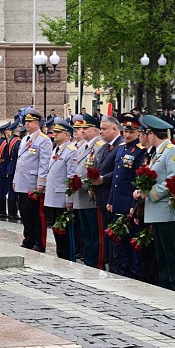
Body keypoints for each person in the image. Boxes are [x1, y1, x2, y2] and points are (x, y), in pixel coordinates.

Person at [134, 115, 175, 293]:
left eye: (145, 133)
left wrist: (151, 193)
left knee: (171, 252)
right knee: (161, 252)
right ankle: (165, 285)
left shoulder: (171, 151)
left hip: (164, 208)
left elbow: (174, 179)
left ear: (152, 134)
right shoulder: (158, 153)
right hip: (155, 209)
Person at [107, 113, 145, 279]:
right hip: (117, 201)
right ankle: (118, 270)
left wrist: (133, 205)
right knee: (117, 240)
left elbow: (137, 179)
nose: (128, 135)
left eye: (132, 131)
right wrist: (110, 199)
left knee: (129, 240)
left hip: (128, 202)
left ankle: (129, 272)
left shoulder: (140, 151)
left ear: (138, 132)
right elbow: (116, 176)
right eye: (126, 131)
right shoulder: (121, 148)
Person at [14, 107, 52, 250]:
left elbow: (44, 162)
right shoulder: (25, 139)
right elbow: (20, 161)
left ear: (37, 123)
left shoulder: (44, 140)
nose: (27, 124)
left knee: (37, 214)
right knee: (25, 213)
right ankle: (28, 238)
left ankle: (39, 242)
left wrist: (41, 182)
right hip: (22, 181)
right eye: (26, 121)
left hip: (33, 182)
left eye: (30, 121)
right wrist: (15, 180)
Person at [70, 114, 103, 267]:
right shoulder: (86, 146)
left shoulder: (98, 146)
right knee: (86, 232)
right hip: (81, 194)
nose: (82, 131)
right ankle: (89, 258)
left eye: (85, 128)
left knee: (93, 233)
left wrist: (85, 183)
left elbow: (97, 169)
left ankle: (94, 260)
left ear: (95, 130)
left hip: (90, 196)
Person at [43, 119, 78, 260]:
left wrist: (70, 199)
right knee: (57, 231)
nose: (54, 134)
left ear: (67, 135)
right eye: (54, 132)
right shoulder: (56, 149)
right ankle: (61, 255)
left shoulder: (71, 151)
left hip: (62, 197)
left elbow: (71, 177)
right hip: (53, 196)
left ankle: (68, 258)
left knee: (65, 232)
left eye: (58, 132)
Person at [93, 115, 123, 270]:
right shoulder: (105, 147)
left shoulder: (121, 146)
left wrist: (103, 178)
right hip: (102, 195)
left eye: (104, 129)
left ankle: (114, 266)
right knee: (106, 233)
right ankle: (108, 263)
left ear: (114, 129)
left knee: (113, 234)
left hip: (112, 196)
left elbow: (120, 171)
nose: (101, 132)